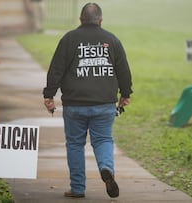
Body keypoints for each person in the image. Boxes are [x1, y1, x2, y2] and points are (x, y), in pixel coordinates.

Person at [42, 3, 133, 198]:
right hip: (104, 104)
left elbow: (56, 68)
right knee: (103, 140)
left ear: (81, 20)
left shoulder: (69, 39)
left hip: (75, 105)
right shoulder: (112, 40)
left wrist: (49, 95)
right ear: (100, 20)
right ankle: (106, 168)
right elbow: (123, 70)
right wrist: (125, 94)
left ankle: (77, 188)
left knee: (75, 144)